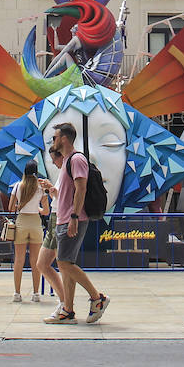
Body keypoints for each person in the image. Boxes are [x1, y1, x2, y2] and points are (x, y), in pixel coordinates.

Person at [44, 122, 109, 325]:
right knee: (66, 265)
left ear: (64, 139)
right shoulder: (66, 162)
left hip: (74, 219)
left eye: (55, 138)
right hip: (64, 219)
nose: (53, 141)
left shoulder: (77, 159)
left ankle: (97, 298)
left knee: (63, 263)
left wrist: (73, 217)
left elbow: (81, 189)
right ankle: (68, 311)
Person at [34, 146, 68, 314]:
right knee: (43, 264)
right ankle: (64, 301)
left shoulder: (68, 169)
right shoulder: (63, 171)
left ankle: (67, 302)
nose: (53, 163)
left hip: (59, 219)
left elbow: (67, 198)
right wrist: (52, 189)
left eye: (54, 159)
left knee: (65, 265)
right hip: (55, 219)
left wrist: (52, 190)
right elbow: (60, 196)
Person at [8, 161, 48, 303]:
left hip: (21, 223)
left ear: (24, 171)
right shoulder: (40, 188)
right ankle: (36, 293)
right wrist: (37, 209)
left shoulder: (18, 186)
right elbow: (46, 211)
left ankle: (17, 293)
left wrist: (20, 206)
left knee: (19, 260)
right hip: (36, 223)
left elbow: (11, 208)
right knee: (35, 261)